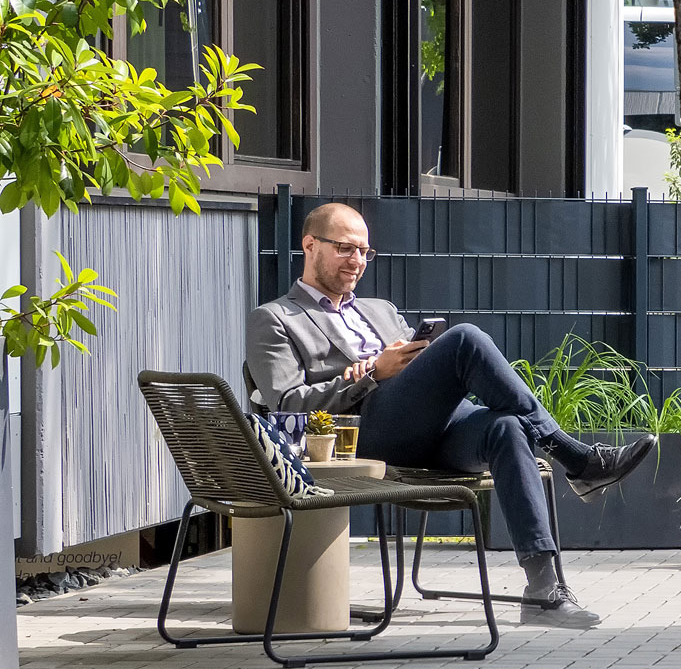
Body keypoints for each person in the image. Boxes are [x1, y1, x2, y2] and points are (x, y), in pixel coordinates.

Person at [247, 201, 656, 627]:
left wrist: (407, 362)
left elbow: (420, 377)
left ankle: (543, 591)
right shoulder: (275, 318)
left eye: (365, 252)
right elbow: (286, 403)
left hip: (430, 431)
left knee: (506, 426)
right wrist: (369, 374)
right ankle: (577, 459)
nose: (358, 262)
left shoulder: (379, 310)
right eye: (346, 249)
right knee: (465, 340)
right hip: (365, 438)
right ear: (309, 245)